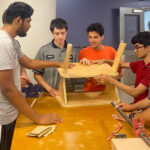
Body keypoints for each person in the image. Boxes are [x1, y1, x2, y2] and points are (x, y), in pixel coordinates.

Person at [0, 2, 66, 149]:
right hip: (3, 117)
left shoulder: (12, 43)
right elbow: (7, 88)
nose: (30, 25)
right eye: (28, 21)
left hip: (11, 112)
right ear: (18, 20)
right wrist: (37, 117)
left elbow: (29, 62)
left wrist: (57, 64)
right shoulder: (3, 43)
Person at [94, 31, 150, 103]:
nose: (135, 51)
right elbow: (120, 65)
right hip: (137, 105)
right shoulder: (140, 63)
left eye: (137, 47)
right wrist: (105, 60)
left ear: (148, 48)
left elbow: (135, 92)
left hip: (145, 110)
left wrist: (111, 80)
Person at [33, 18, 78, 97]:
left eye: (62, 33)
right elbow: (37, 74)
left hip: (68, 93)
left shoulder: (73, 50)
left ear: (66, 32)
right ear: (52, 33)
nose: (60, 36)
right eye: (57, 34)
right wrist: (49, 89)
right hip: (49, 94)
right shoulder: (43, 50)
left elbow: (77, 72)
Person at [78, 23, 123, 92]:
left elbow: (121, 73)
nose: (92, 40)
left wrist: (108, 80)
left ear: (102, 37)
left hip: (108, 92)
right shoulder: (83, 52)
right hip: (89, 92)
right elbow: (80, 75)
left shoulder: (111, 51)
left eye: (95, 37)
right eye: (90, 37)